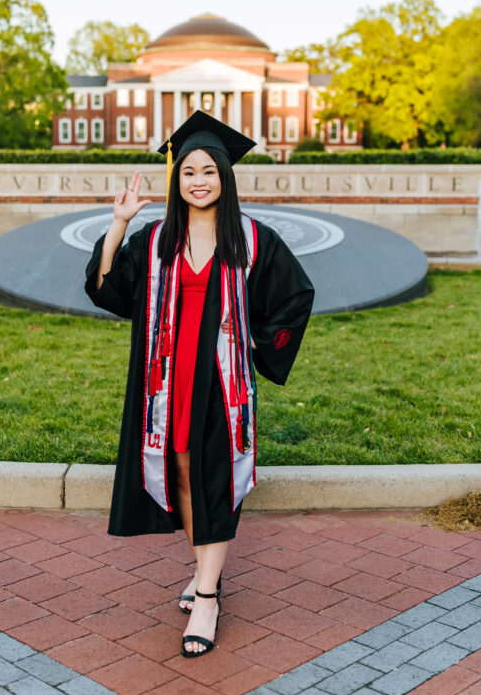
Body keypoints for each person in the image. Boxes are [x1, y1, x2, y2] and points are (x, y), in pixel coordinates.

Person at [85, 111, 314, 657]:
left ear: (225, 178)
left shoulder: (254, 240)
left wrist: (257, 344)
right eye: (188, 171)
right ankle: (204, 570)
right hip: (165, 381)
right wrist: (118, 223)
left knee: (213, 478)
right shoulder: (157, 238)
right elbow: (107, 289)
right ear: (177, 179)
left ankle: (207, 593)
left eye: (209, 170)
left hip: (221, 381)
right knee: (182, 473)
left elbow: (293, 298)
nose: (198, 180)